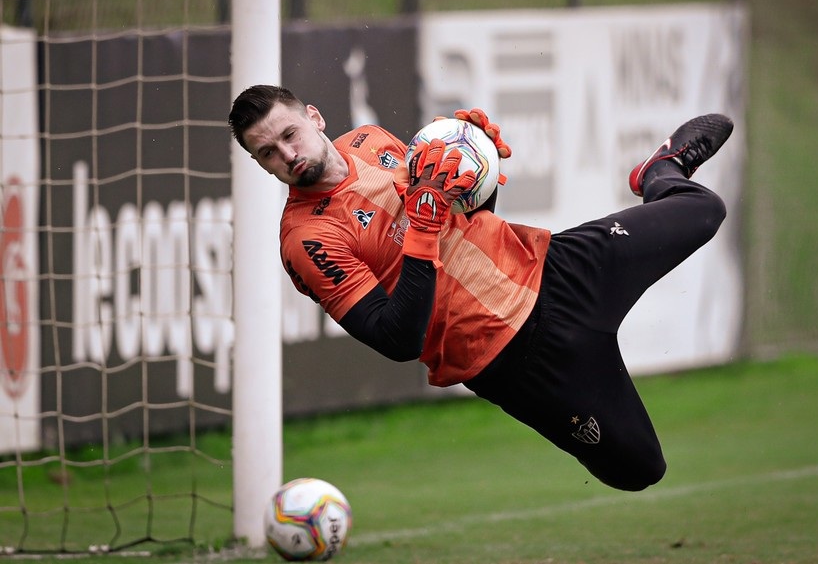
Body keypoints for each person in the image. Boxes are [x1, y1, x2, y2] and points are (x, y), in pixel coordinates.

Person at [228, 85, 732, 492]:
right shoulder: (307, 240)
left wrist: (478, 164)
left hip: (550, 266)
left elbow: (464, 216)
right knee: (639, 469)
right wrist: (423, 228)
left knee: (703, 211)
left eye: (290, 134)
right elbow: (397, 339)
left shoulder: (369, 140)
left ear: (314, 117)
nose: (287, 154)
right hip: (516, 358)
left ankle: (661, 171)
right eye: (267, 153)